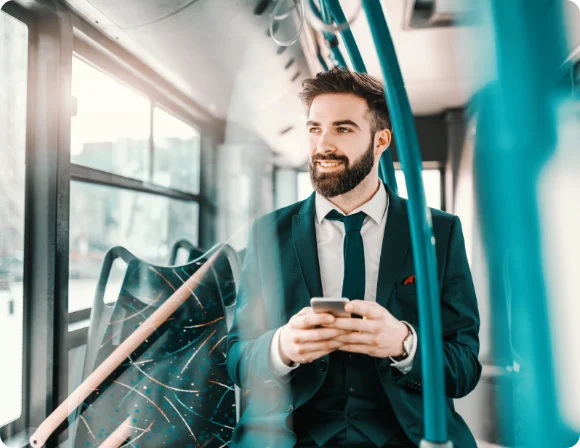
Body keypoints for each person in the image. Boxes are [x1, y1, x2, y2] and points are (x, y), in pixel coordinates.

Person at [226, 68, 481, 448]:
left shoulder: (438, 233)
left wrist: (403, 345)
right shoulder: (268, 234)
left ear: (380, 141)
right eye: (314, 129)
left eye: (342, 129)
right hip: (293, 435)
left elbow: (463, 369)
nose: (322, 145)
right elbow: (236, 361)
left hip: (406, 434)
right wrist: (282, 347)